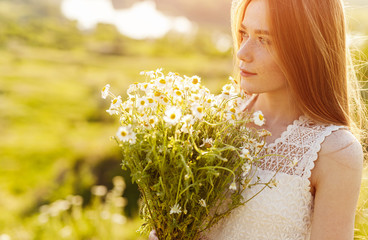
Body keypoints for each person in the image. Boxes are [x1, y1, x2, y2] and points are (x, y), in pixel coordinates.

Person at [150, 0, 366, 239]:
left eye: (264, 39)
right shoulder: (214, 120)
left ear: (308, 48)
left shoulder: (335, 153)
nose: (242, 53)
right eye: (243, 33)